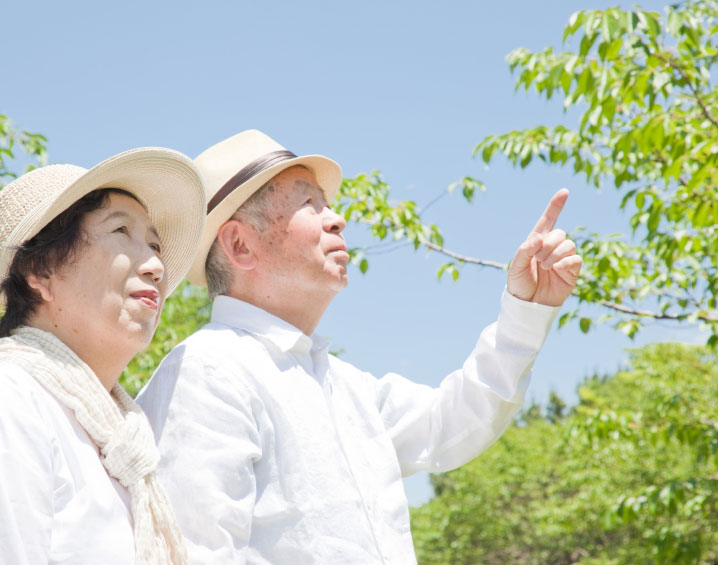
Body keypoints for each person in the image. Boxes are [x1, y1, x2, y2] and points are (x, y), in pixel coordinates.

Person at [137, 130, 583, 563]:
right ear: (240, 243)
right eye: (309, 204)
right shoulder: (208, 370)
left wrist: (525, 309)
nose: (337, 218)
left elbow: (454, 421)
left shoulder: (344, 386)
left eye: (326, 203)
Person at [0, 147, 206, 565]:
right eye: (121, 232)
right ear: (41, 270)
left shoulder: (123, 448)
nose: (155, 264)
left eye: (154, 243)